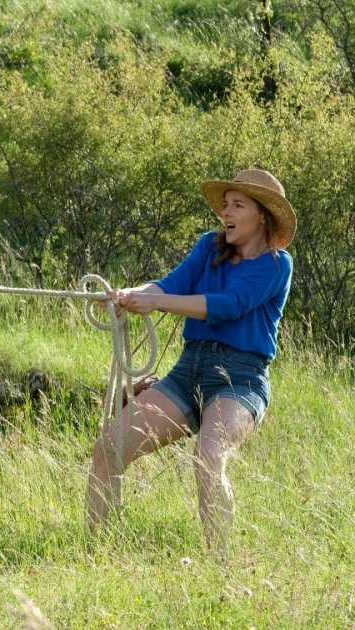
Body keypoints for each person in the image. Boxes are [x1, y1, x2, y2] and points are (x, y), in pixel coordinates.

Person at [85, 168, 295, 553]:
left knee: (209, 456)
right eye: (225, 205)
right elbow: (170, 285)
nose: (226, 213)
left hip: (241, 379)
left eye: (237, 206)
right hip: (188, 371)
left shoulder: (277, 264)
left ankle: (220, 567)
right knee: (109, 447)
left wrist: (156, 301)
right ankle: (95, 555)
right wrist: (134, 294)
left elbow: (229, 306)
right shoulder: (208, 247)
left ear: (262, 216)